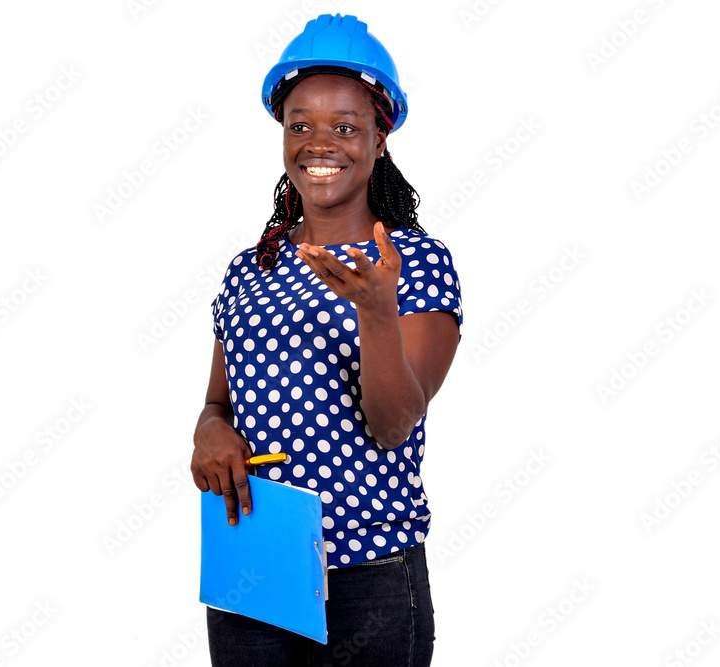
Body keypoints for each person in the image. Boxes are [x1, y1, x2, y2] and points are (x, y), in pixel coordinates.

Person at [189, 13, 463, 666]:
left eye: (345, 125)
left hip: (368, 575)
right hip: (253, 557)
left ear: (379, 136)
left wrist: (376, 309)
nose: (321, 142)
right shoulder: (249, 268)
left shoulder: (417, 265)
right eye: (300, 123)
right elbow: (217, 404)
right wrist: (210, 432)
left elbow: (394, 423)